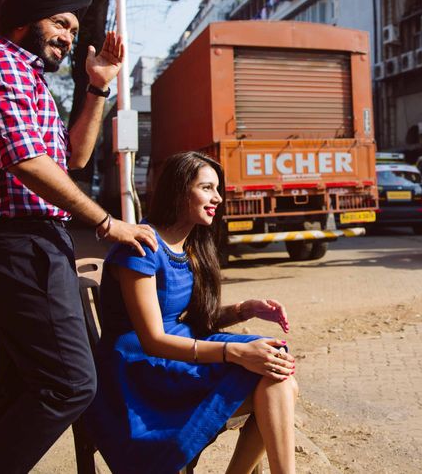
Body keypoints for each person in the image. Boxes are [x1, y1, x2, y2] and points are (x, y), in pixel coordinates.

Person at [0, 0, 158, 473]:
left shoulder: (31, 79)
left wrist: (98, 85)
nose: (67, 38)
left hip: (27, 243)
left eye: (73, 30)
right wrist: (108, 224)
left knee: (21, 380)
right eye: (60, 24)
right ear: (23, 21)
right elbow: (25, 161)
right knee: (70, 383)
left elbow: (73, 160)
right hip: (14, 243)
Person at [84, 151, 298, 473]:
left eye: (217, 188)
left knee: (277, 370)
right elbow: (153, 339)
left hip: (178, 356)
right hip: (140, 374)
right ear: (180, 189)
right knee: (277, 378)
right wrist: (236, 352)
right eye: (207, 188)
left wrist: (245, 309)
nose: (218, 198)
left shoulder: (190, 246)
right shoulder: (141, 247)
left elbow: (195, 320)